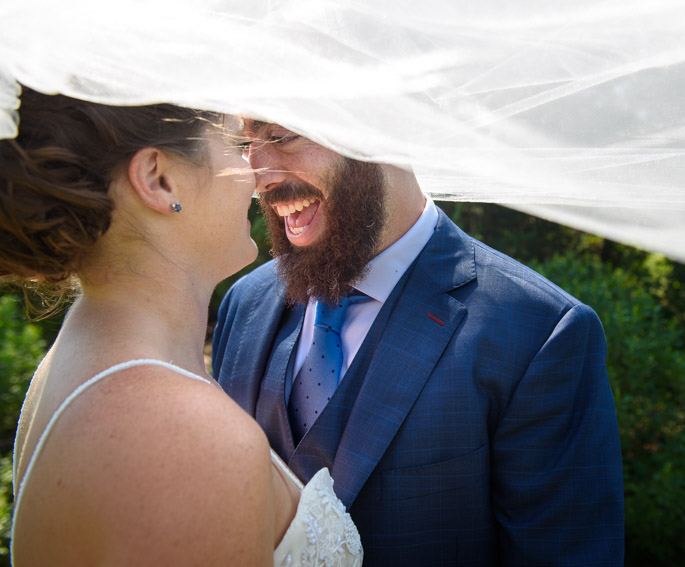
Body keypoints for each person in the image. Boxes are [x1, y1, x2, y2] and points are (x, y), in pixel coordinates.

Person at [212, 120, 625, 565]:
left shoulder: (541, 332)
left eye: (281, 137)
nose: (256, 177)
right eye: (246, 143)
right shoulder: (244, 303)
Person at [1, 87, 363, 566]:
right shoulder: (188, 439)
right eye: (236, 147)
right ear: (159, 180)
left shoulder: (83, 354)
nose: (258, 177)